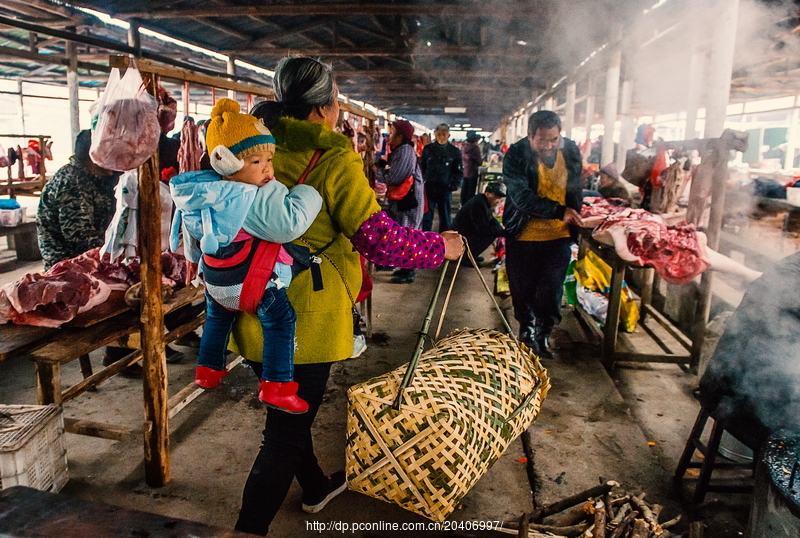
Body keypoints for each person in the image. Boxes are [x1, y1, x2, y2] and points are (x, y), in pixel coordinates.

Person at [230, 57, 464, 536]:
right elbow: (380, 240)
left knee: (287, 415)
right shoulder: (333, 159)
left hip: (247, 300)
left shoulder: (246, 147)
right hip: (304, 319)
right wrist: (442, 245)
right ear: (326, 108)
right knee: (284, 434)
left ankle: (314, 487)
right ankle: (244, 531)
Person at [170, 98, 322, 413]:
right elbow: (287, 225)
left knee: (215, 319)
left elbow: (187, 240)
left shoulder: (200, 193)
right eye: (256, 163)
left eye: (269, 159)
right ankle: (276, 385)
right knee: (282, 321)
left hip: (214, 279)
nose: (268, 169)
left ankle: (208, 371)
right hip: (249, 285)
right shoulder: (247, 195)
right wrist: (307, 192)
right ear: (227, 163)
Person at [502, 110, 583, 358]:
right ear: (529, 136)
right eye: (542, 140)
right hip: (523, 234)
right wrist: (559, 210)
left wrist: (575, 213)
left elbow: (575, 187)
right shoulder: (516, 154)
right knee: (522, 288)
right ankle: (525, 329)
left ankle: (543, 333)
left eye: (554, 139)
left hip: (558, 236)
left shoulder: (570, 151)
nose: (548, 145)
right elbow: (520, 197)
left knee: (551, 288)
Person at [37, 129, 117, 271]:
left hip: (89, 263)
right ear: (95, 155)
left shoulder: (93, 178)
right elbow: (80, 239)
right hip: (68, 270)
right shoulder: (72, 182)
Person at [375, 120, 424, 284]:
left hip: (408, 201)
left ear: (401, 136)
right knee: (405, 233)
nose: (389, 137)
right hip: (404, 200)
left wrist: (378, 172)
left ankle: (408, 271)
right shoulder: (400, 150)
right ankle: (404, 268)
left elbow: (395, 177)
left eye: (393, 133)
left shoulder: (404, 151)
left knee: (408, 234)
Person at [420, 123, 462, 232]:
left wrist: (453, 185)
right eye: (439, 134)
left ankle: (445, 241)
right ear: (435, 135)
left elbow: (458, 171)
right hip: (429, 188)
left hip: (445, 189)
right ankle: (425, 239)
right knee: (427, 217)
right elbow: (421, 167)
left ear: (448, 135)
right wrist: (421, 183)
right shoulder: (427, 149)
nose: (441, 137)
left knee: (445, 217)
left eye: (444, 134)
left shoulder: (455, 152)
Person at [452, 182, 506, 264]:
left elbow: (491, 220)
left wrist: (501, 229)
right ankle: (466, 257)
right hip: (459, 236)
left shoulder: (483, 201)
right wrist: (502, 232)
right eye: (496, 196)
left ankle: (471, 255)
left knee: (493, 231)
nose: (498, 200)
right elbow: (482, 229)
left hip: (467, 232)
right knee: (489, 235)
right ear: (487, 194)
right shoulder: (478, 204)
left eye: (499, 197)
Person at [461, 131, 483, 207]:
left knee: (464, 190)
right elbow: (479, 161)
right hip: (473, 172)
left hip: (465, 171)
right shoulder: (475, 148)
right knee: (471, 191)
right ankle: (469, 206)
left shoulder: (464, 147)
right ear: (475, 141)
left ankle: (463, 205)